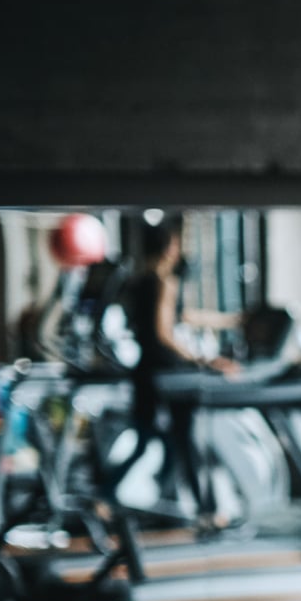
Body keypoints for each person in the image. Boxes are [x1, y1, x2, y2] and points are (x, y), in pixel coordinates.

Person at [108, 218, 240, 518]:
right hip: (167, 372)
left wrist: (228, 320)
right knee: (183, 440)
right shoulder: (164, 281)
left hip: (144, 368)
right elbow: (164, 331)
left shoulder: (139, 280)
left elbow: (182, 316)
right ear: (170, 247)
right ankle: (206, 510)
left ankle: (130, 494)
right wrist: (204, 360)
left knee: (152, 440)